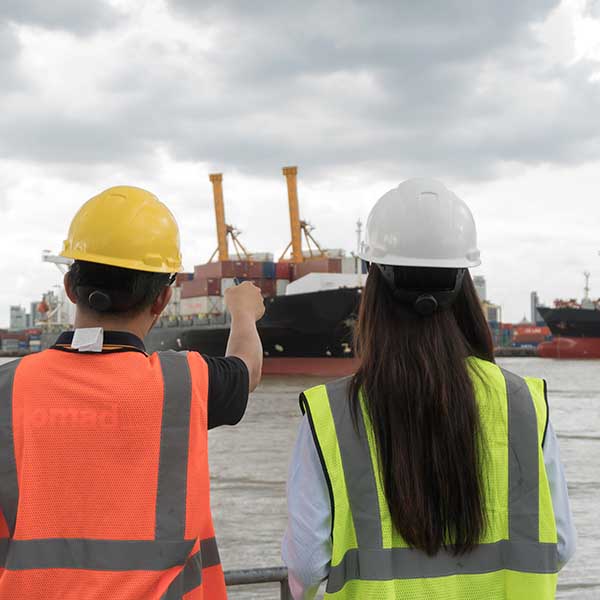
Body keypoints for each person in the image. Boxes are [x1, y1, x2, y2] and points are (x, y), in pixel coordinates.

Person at [282, 178, 576, 599]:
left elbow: (309, 562)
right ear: (464, 286)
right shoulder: (524, 405)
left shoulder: (332, 415)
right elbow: (560, 545)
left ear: (374, 289)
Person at [0, 186, 265, 599]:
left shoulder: (7, 388)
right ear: (162, 298)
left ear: (70, 288)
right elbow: (246, 369)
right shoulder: (186, 383)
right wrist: (243, 312)